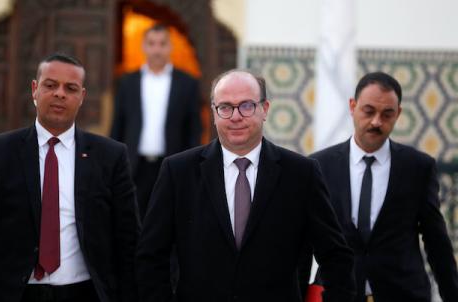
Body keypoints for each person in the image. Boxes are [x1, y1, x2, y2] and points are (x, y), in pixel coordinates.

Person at [136, 69, 356, 302]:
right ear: (213, 112)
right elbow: (151, 257)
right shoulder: (177, 172)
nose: (236, 116)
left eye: (247, 106)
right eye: (225, 107)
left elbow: (335, 257)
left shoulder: (301, 174)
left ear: (265, 109)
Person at [0, 53, 139, 302]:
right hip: (14, 293)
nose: (60, 94)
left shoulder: (110, 157)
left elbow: (127, 238)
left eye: (70, 88)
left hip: (83, 292)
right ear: (35, 89)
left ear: (82, 97)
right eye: (51, 85)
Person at [310, 71, 458, 302]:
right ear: (352, 106)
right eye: (369, 111)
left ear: (398, 114)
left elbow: (436, 240)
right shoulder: (319, 166)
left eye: (387, 114)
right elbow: (300, 239)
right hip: (338, 294)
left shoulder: (418, 167)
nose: (376, 121)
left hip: (404, 294)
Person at [110, 23, 202, 219]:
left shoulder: (187, 83)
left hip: (171, 165)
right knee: (132, 221)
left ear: (170, 47)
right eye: (152, 44)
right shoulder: (128, 82)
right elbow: (118, 125)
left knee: (168, 220)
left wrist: (190, 167)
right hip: (135, 166)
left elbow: (194, 130)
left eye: (162, 44)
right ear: (144, 46)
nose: (157, 49)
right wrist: (114, 164)